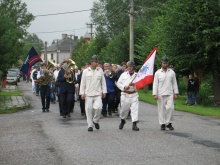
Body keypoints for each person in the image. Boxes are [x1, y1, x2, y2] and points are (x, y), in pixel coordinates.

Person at [79, 55, 107, 131]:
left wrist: (104, 91)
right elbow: (83, 83)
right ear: (91, 62)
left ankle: (95, 121)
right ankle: (90, 125)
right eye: (95, 62)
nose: (97, 63)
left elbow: (103, 82)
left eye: (97, 62)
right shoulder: (85, 71)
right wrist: (82, 93)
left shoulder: (100, 70)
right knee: (88, 109)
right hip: (88, 93)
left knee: (99, 108)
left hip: (97, 93)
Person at [153, 56, 179, 131]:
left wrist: (175, 92)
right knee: (161, 110)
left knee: (170, 108)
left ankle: (169, 122)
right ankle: (162, 124)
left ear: (167, 64)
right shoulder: (158, 73)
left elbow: (174, 83)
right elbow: (155, 84)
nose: (165, 65)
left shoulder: (171, 72)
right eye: (164, 63)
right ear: (161, 63)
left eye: (166, 63)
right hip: (161, 94)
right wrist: (155, 94)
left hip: (170, 93)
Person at [116, 61, 140, 131]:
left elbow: (140, 85)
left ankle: (134, 124)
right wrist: (124, 87)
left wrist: (134, 85)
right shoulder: (123, 75)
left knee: (134, 109)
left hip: (133, 94)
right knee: (124, 110)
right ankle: (123, 120)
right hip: (125, 94)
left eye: (131, 66)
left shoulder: (137, 75)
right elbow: (118, 83)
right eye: (128, 66)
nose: (129, 68)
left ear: (133, 67)